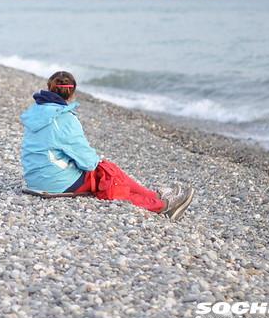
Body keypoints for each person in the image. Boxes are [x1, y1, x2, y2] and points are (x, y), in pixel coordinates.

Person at [20, 71, 195, 221]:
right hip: (55, 182)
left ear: (50, 88)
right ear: (72, 93)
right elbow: (88, 163)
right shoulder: (63, 119)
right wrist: (98, 162)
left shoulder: (36, 112)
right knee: (108, 175)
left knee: (106, 170)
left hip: (34, 176)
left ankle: (153, 195)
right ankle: (161, 204)